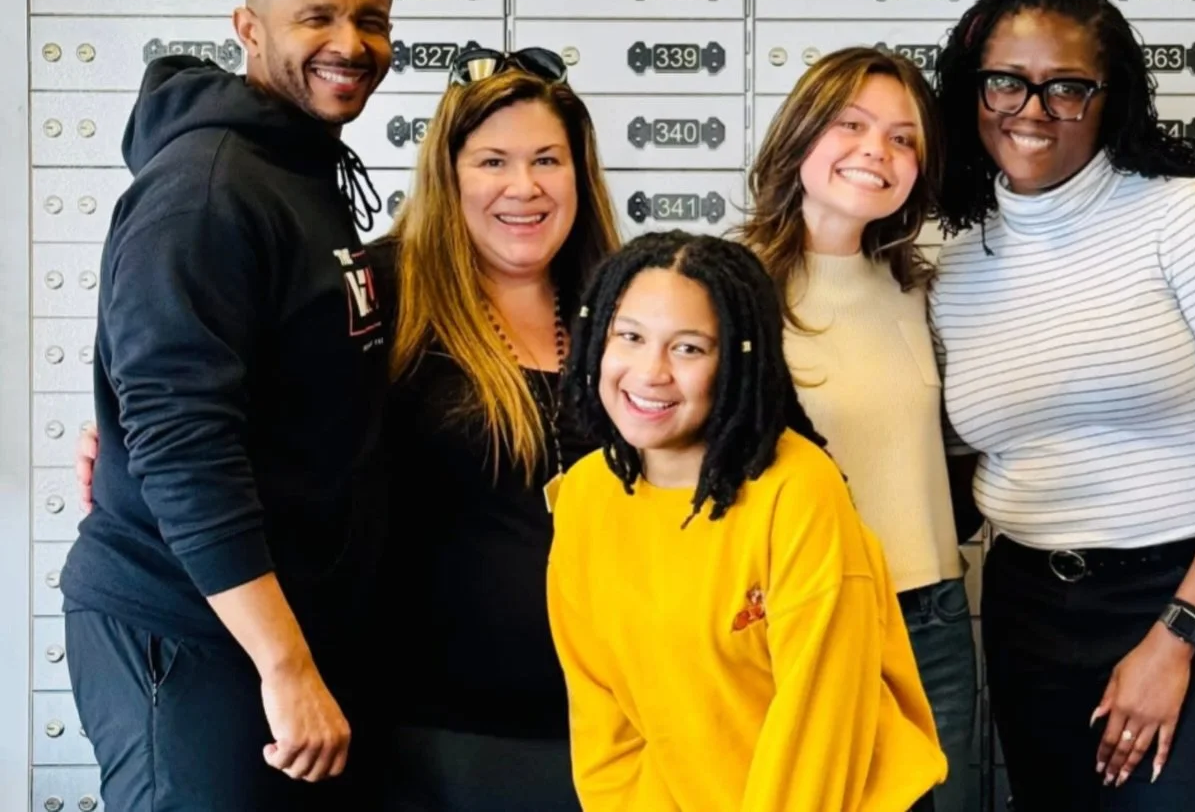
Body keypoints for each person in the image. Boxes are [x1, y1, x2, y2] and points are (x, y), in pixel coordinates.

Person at [929, 0, 1195, 811]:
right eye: (1006, 80)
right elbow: (955, 471)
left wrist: (1176, 634)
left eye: (1066, 85)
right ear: (971, 90)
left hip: (1192, 595)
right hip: (1030, 606)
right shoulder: (950, 257)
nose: (1032, 108)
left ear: (1109, 98)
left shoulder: (1185, 222)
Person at [61, 0, 396, 811]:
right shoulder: (208, 188)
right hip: (189, 629)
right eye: (317, 17)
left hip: (256, 630)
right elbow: (181, 442)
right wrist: (283, 666)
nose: (351, 44)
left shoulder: (296, 167)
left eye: (372, 20)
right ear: (248, 28)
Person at [548, 231, 948, 812]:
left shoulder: (799, 489)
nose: (651, 371)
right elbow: (606, 725)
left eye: (688, 348)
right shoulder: (585, 496)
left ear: (738, 360)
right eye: (630, 337)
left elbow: (820, 724)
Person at [376, 46, 621, 812]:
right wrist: (115, 449)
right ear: (448, 175)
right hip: (439, 737)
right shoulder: (387, 294)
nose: (525, 186)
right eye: (493, 161)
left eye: (547, 158)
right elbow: (222, 409)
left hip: (612, 729)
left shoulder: (623, 301)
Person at [738, 47, 980, 812]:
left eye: (904, 137)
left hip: (932, 617)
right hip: (804, 623)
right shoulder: (727, 285)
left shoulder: (920, 286)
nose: (878, 150)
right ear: (800, 134)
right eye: (851, 123)